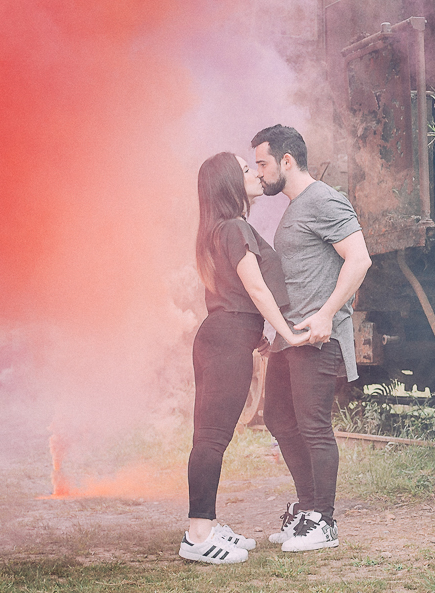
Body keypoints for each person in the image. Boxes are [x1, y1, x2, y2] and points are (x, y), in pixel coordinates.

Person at [180, 152, 310, 564]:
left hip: (223, 337)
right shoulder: (234, 228)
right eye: (245, 169)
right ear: (228, 183)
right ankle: (198, 535)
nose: (254, 173)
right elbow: (256, 289)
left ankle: (206, 525)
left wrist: (260, 335)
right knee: (211, 438)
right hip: (226, 340)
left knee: (209, 436)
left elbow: (239, 293)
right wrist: (285, 332)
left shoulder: (219, 228)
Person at [252, 124, 372, 553]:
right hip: (289, 338)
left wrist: (326, 313)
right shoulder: (296, 206)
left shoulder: (324, 199)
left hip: (317, 337)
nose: (258, 173)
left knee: (314, 426)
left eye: (262, 163)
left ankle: (324, 520)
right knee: (278, 419)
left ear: (286, 160)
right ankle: (306, 509)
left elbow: (359, 259)